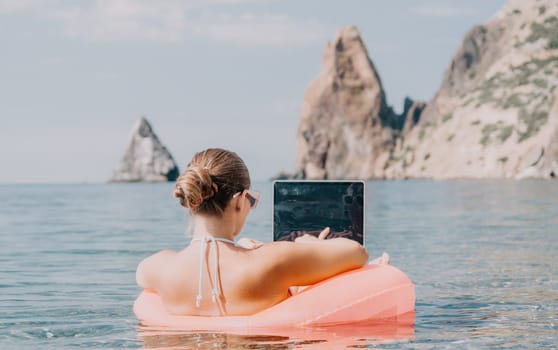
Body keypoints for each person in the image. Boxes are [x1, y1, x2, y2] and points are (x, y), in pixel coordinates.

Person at [136, 148, 385, 317]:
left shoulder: (159, 267)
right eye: (252, 201)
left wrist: (246, 249)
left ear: (191, 200)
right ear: (240, 200)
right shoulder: (273, 261)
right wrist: (309, 245)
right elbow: (356, 252)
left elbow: (141, 276)